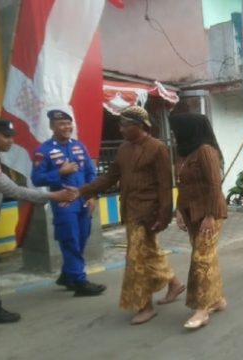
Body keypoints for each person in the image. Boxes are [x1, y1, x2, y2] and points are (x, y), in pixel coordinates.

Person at [75, 106, 184, 325]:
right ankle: (174, 284)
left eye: (125, 125)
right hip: (130, 211)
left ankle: (145, 306)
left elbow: (165, 185)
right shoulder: (124, 149)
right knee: (149, 254)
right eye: (121, 125)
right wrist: (82, 191)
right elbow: (109, 177)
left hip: (149, 213)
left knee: (136, 260)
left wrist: (165, 216)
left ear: (140, 126)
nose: (121, 129)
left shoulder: (157, 148)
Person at [0, 119, 74, 324]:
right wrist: (53, 196)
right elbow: (12, 190)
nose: (11, 141)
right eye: (6, 136)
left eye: (11, 136)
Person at [31, 110, 106, 297]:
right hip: (64, 204)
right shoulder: (43, 151)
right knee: (70, 240)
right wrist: (60, 173)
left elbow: (90, 172)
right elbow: (36, 179)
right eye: (61, 124)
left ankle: (67, 275)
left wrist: (91, 195)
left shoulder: (79, 146)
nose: (66, 127)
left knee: (81, 238)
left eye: (68, 123)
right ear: (52, 127)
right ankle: (80, 282)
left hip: (83, 201)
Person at [169, 112, 227, 330]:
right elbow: (181, 185)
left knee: (201, 260)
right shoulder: (182, 153)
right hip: (191, 213)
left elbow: (214, 185)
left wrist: (210, 216)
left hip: (209, 215)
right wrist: (179, 211)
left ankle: (202, 309)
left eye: (176, 131)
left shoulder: (205, 151)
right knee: (206, 258)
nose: (173, 136)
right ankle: (217, 299)